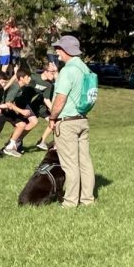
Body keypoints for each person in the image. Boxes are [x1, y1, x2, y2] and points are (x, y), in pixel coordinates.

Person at [48, 35, 95, 208]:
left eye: (59, 48)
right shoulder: (84, 68)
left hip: (66, 122)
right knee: (85, 161)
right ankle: (87, 199)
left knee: (70, 164)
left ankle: (70, 202)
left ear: (67, 50)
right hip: (82, 120)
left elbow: (60, 98)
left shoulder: (68, 70)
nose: (57, 52)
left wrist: (52, 118)